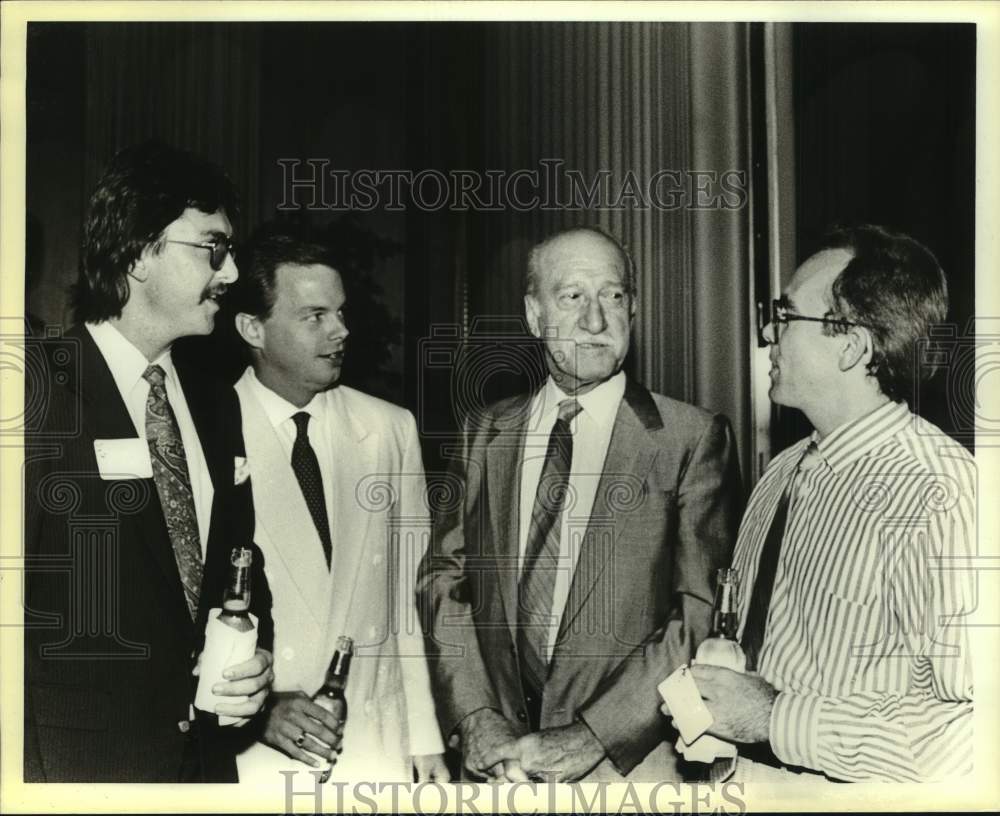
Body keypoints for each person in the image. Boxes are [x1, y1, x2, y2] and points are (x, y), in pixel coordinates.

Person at [417, 226, 743, 782]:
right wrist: (475, 716)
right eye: (572, 297)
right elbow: (445, 582)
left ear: (633, 310)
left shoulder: (689, 438)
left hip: (628, 771)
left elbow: (698, 611)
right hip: (500, 767)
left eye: (613, 296)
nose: (596, 321)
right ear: (533, 315)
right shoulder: (485, 432)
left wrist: (592, 736)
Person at [23, 141, 275, 782]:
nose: (230, 272)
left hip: (203, 768)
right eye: (213, 248)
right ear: (138, 252)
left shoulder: (217, 405)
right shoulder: (37, 393)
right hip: (74, 771)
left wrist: (253, 656)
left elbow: (239, 565)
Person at [686, 224, 975, 782]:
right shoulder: (781, 474)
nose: (770, 333)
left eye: (787, 317)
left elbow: (975, 732)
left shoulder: (939, 494)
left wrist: (775, 718)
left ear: (852, 345)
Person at [229, 230, 448, 784]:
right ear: (253, 328)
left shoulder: (389, 428)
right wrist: (260, 709)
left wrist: (425, 739)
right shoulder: (209, 431)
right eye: (315, 316)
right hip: (262, 762)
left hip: (377, 746)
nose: (341, 331)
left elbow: (410, 597)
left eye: (341, 312)